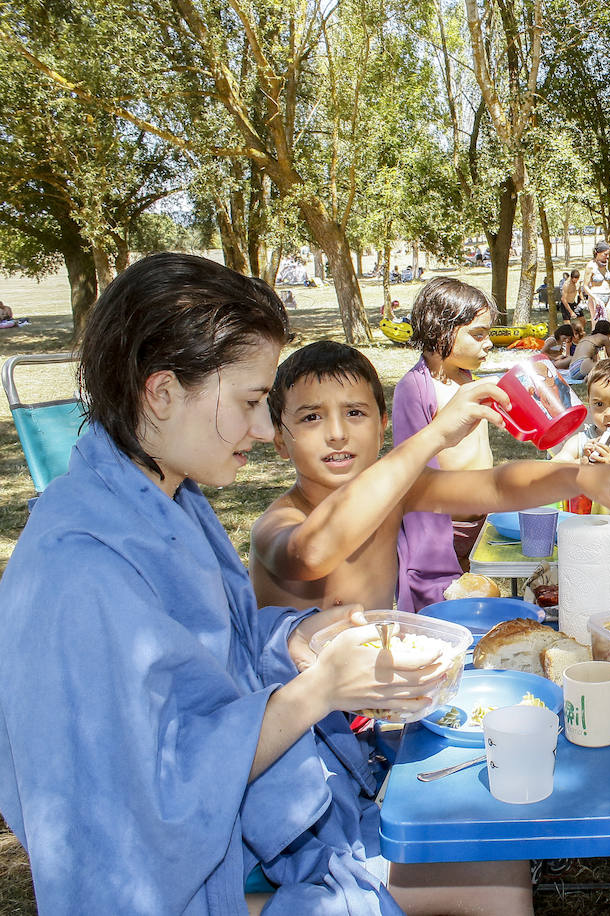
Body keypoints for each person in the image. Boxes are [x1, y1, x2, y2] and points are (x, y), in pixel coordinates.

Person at [0, 252, 488, 914]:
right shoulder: (80, 572)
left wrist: (298, 635)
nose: (265, 431)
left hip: (258, 833)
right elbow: (136, 813)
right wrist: (319, 690)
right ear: (162, 391)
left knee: (485, 851)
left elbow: (209, 654)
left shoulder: (168, 499)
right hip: (195, 887)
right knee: (488, 880)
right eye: (254, 403)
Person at [252, 340, 610, 612]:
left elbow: (496, 486)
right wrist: (433, 437)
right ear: (279, 441)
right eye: (311, 418)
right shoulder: (277, 523)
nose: (337, 433)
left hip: (374, 702)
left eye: (354, 413)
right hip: (300, 725)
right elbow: (312, 553)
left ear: (382, 425)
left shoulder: (402, 493)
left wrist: (576, 477)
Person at [391, 277, 496, 611]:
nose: (489, 343)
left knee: (475, 605)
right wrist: (430, 550)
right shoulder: (415, 388)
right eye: (478, 334)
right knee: (442, 610)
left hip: (482, 523)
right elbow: (415, 466)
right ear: (442, 331)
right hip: (443, 529)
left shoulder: (467, 378)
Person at [548, 358, 610, 464]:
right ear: (589, 403)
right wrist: (580, 463)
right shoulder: (580, 441)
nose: (608, 414)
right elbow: (555, 465)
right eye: (599, 404)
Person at [579, 241, 610, 325]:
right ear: (597, 253)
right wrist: (595, 298)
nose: (607, 256)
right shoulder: (591, 266)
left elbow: (606, 282)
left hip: (607, 297)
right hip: (596, 297)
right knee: (597, 326)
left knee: (609, 325)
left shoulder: (605, 265)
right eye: (605, 254)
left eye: (608, 254)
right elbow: (585, 286)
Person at [560, 270, 584, 334]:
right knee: (568, 326)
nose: (576, 281)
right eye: (575, 280)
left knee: (583, 320)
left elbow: (579, 291)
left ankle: (579, 334)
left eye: (577, 279)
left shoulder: (578, 282)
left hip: (573, 303)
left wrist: (582, 299)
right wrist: (571, 312)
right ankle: (569, 337)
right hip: (566, 304)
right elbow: (563, 299)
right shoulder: (566, 285)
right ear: (571, 277)